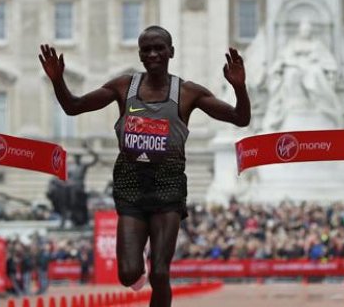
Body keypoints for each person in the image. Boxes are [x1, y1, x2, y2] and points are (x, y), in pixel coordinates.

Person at [39, 26, 250, 307]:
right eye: (146, 49)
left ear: (170, 52)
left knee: (160, 272)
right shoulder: (124, 87)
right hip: (131, 188)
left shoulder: (187, 93)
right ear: (139, 54)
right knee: (128, 274)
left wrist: (239, 87)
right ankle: (137, 273)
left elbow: (240, 118)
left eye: (159, 48)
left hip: (168, 187)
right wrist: (57, 81)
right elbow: (74, 106)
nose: (153, 54)